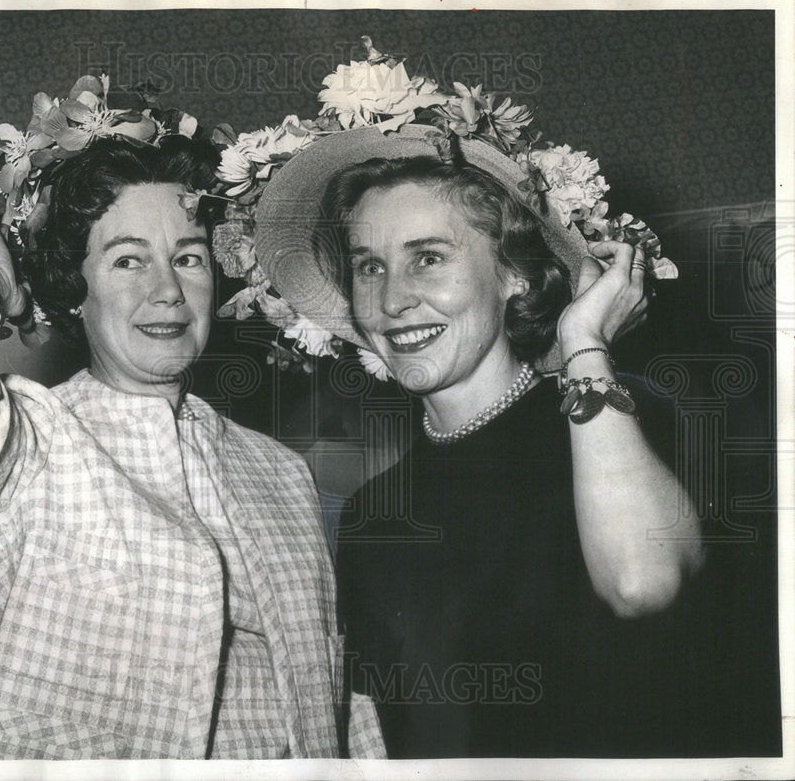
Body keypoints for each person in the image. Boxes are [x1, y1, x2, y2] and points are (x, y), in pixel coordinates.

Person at [0, 126, 385, 758]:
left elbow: (337, 696)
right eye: (128, 260)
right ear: (75, 290)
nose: (167, 290)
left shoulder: (278, 470)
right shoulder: (30, 440)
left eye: (188, 257)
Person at [244, 121, 705, 757]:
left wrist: (584, 346)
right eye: (369, 267)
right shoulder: (374, 512)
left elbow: (642, 584)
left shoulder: (621, 414)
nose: (392, 299)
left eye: (427, 258)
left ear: (515, 274)